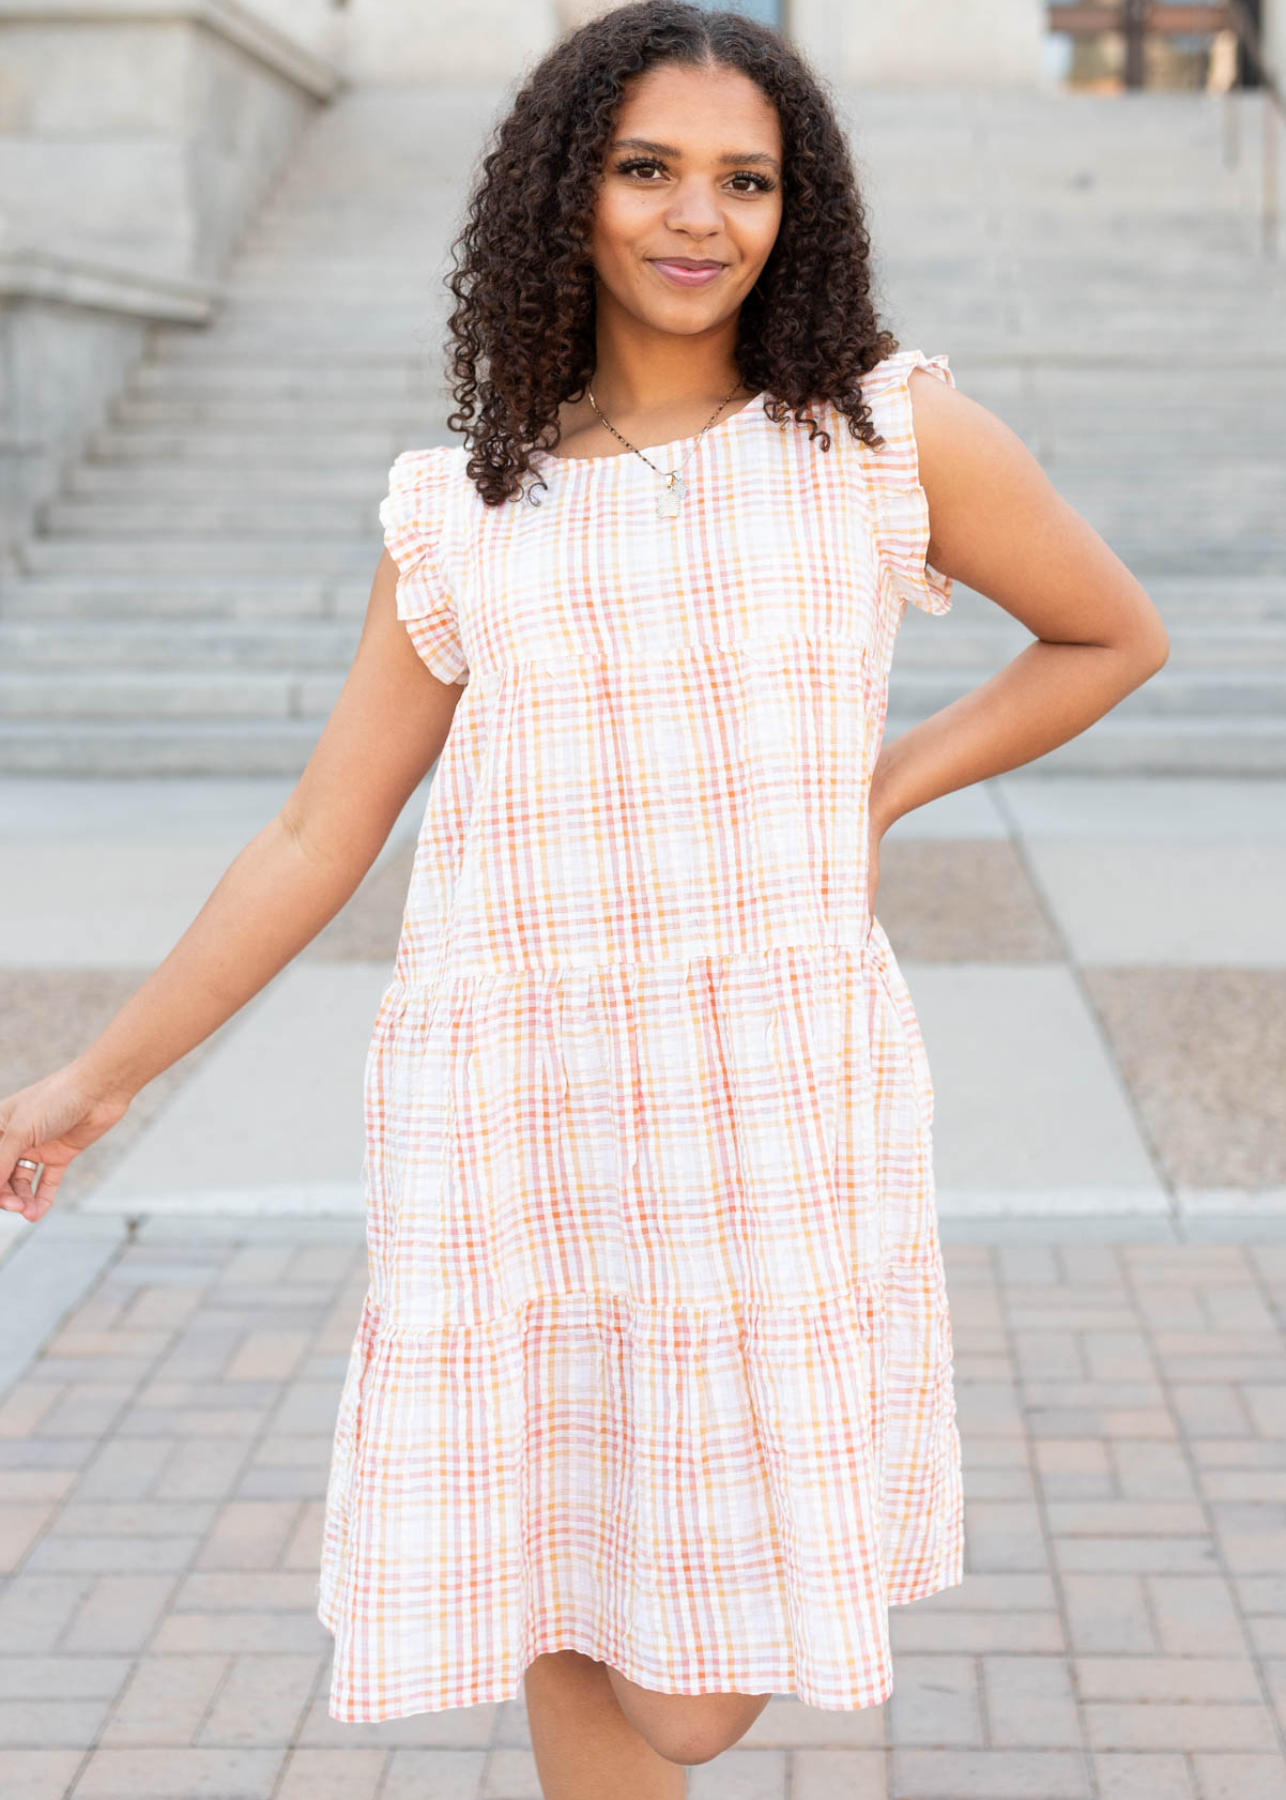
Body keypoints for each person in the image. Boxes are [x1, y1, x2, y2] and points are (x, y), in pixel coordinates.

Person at [0, 3, 1169, 1793]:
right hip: (522, 1112)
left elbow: (1108, 633)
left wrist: (882, 787)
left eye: (744, 180)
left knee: (697, 1676)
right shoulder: (466, 508)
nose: (697, 217)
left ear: (799, 210)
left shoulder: (876, 436)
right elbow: (320, 834)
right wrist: (95, 1079)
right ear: (570, 194)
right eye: (647, 170)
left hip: (771, 1102)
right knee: (556, 1552)